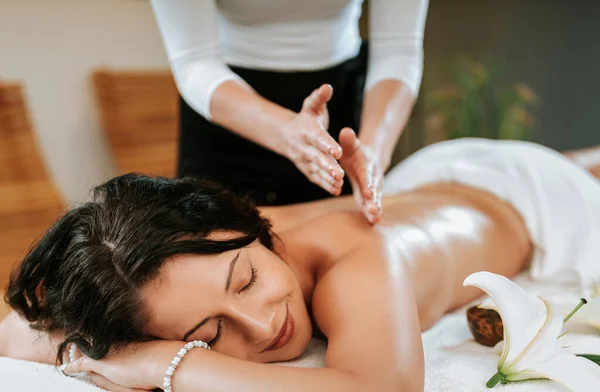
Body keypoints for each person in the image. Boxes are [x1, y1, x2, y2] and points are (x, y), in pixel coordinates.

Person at [2, 137, 600, 392]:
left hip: (530, 202)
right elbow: (16, 330)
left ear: (250, 228)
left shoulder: (359, 255)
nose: (264, 327)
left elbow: (382, 391)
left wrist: (172, 360)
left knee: (583, 167)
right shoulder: (193, 255)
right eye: (211, 334)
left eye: (248, 281)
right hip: (430, 186)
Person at [147, 0, 430, 223]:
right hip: (227, 108)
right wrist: (286, 131)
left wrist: (372, 151)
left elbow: (399, 49)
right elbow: (194, 61)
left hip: (343, 113)